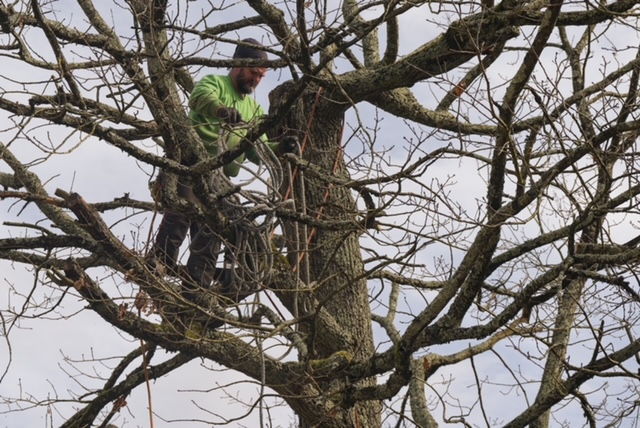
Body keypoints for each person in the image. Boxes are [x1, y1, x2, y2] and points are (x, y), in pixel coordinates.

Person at [147, 38, 296, 302]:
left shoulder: (253, 108)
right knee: (181, 213)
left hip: (221, 182)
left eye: (261, 76)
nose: (257, 80)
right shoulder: (215, 83)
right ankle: (158, 265)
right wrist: (222, 111)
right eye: (253, 73)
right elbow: (199, 98)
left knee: (212, 233)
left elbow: (255, 149)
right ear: (238, 65)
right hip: (192, 166)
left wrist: (281, 148)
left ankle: (195, 295)